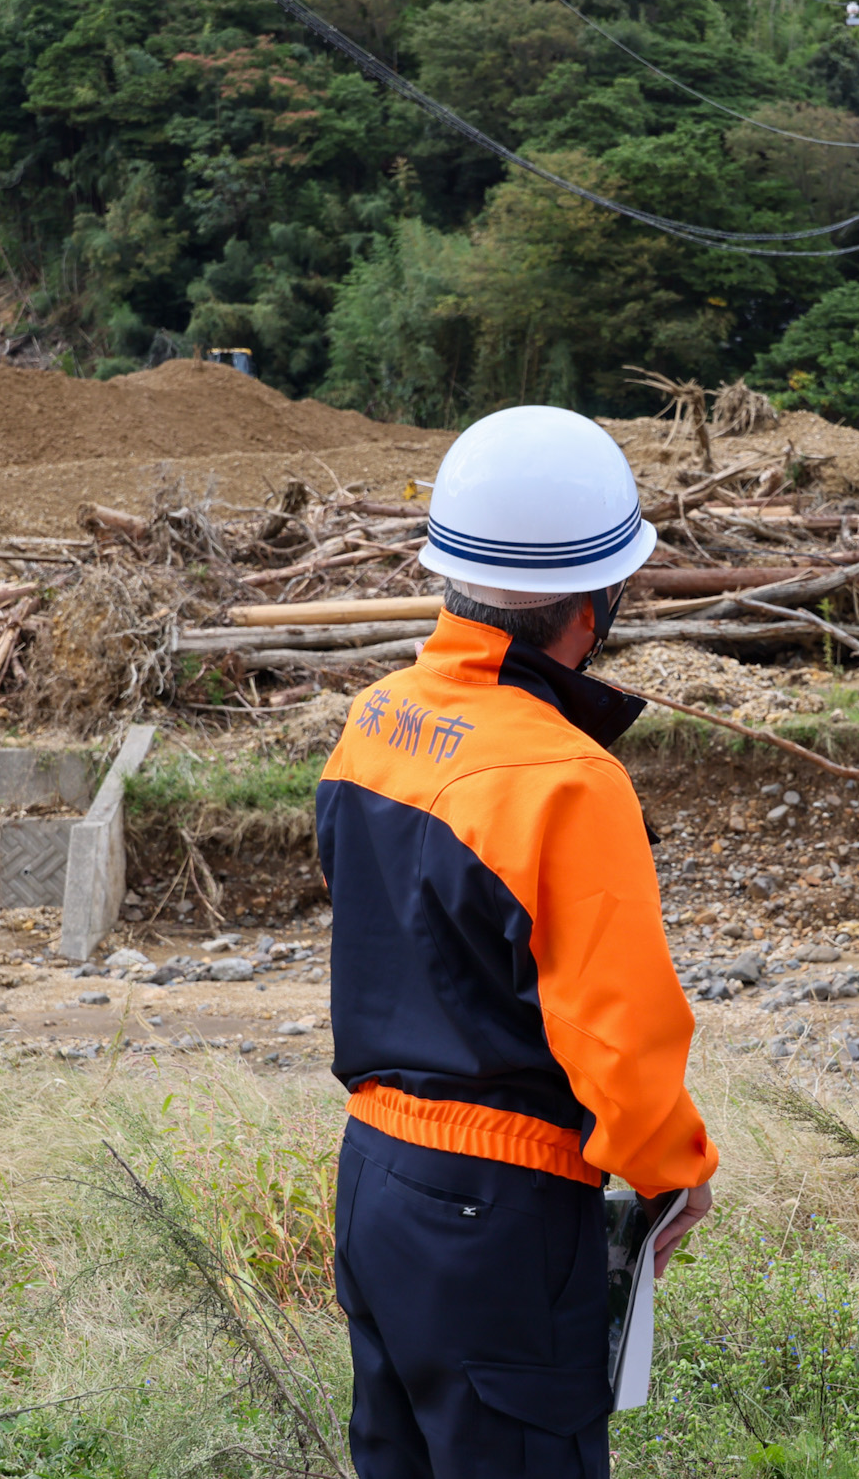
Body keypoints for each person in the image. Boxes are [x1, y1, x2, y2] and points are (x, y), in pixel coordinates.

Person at [316, 405, 717, 1479]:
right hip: (497, 1214)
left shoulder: (375, 718)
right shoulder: (566, 779)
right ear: (596, 604)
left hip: (374, 1181)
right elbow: (617, 1032)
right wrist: (674, 1172)